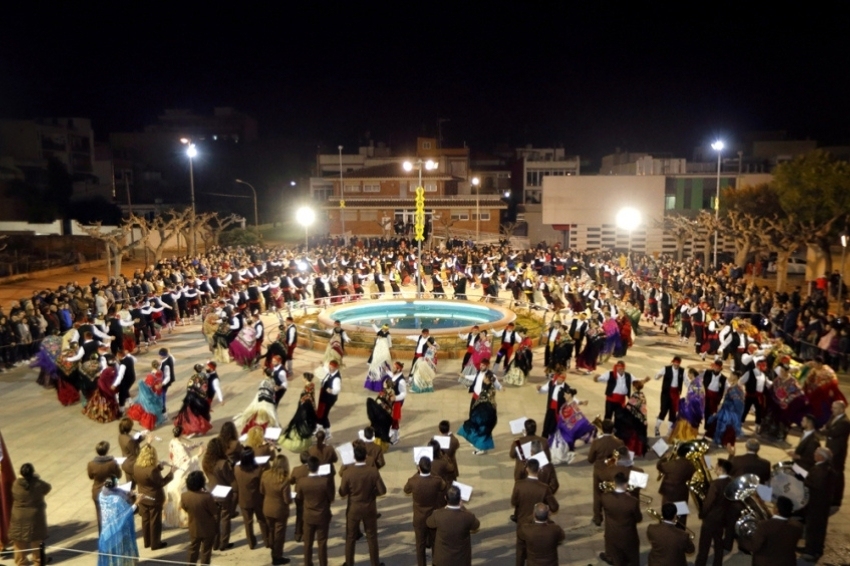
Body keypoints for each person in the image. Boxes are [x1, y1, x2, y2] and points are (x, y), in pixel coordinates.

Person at [339, 443, 387, 566]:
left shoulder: (347, 473)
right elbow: (382, 490)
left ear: (354, 457)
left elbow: (342, 492)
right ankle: (375, 563)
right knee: (371, 537)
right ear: (366, 457)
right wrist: (371, 494)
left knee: (350, 537)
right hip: (369, 508)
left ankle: (349, 563)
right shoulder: (373, 471)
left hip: (353, 508)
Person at [511, 458, 559, 566]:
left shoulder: (519, 485)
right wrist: (547, 509)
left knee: (520, 549)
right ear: (538, 470)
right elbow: (555, 507)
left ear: (527, 469)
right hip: (538, 523)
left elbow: (514, 502)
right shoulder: (544, 488)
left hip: (522, 521)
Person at [403, 456, 447, 566]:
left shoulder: (413, 481)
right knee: (434, 542)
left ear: (419, 468)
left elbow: (406, 489)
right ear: (430, 467)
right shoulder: (436, 481)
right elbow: (443, 486)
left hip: (419, 518)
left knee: (420, 545)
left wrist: (416, 473)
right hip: (433, 516)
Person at [426, 485, 480, 566]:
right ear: (460, 500)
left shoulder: (438, 515)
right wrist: (463, 508)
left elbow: (429, 523)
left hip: (442, 561)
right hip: (461, 561)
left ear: (445, 498)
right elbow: (476, 525)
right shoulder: (468, 516)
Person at [295, 456, 335, 566]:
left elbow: (299, 496)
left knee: (307, 543)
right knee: (322, 543)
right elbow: (331, 497)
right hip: (322, 515)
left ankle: (308, 563)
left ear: (308, 467)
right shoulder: (324, 482)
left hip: (308, 516)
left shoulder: (302, 482)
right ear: (318, 467)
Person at [799, 447, 837, 562]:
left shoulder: (820, 470)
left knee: (813, 528)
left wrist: (805, 480)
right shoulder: (828, 468)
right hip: (823, 504)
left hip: (816, 505)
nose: (814, 454)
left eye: (816, 453)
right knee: (819, 528)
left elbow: (814, 484)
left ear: (821, 457)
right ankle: (816, 549)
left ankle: (811, 551)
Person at [9, 463, 50, 566]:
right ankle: (38, 560)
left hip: (18, 516)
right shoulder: (38, 484)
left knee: (19, 540)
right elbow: (47, 488)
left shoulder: (16, 484)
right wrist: (37, 478)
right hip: (34, 516)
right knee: (36, 539)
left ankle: (21, 561)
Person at [134, 444, 174, 550]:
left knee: (145, 520)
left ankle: (147, 542)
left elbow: (149, 477)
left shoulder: (136, 466)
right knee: (155, 521)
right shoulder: (151, 469)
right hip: (154, 498)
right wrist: (171, 473)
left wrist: (159, 467)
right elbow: (160, 482)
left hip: (143, 497)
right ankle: (155, 543)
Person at [163, 425, 204, 528]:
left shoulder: (173, 441)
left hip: (175, 469)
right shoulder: (179, 446)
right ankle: (185, 520)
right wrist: (198, 455)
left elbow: (184, 447)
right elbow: (187, 463)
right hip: (181, 472)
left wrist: (193, 446)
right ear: (181, 433)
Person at [694, 459, 732, 566]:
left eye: (716, 466)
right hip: (722, 518)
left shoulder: (715, 484)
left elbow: (708, 503)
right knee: (718, 543)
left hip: (711, 519)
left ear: (720, 469)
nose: (714, 467)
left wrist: (702, 514)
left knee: (704, 546)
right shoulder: (730, 482)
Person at [598, 472, 642, 566]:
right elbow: (638, 519)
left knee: (617, 561)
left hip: (612, 535)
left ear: (615, 482)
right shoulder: (632, 501)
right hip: (629, 536)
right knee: (633, 560)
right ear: (626, 484)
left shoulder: (605, 498)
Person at [201, 437, 236, 551]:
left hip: (212, 492)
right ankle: (224, 543)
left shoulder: (205, 462)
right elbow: (230, 479)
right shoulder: (223, 463)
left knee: (215, 519)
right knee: (225, 517)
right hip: (224, 493)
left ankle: (215, 544)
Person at [588, 419, 625, 526]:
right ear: (612, 429)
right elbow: (622, 457)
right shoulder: (619, 442)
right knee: (612, 494)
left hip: (599, 471)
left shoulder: (596, 442)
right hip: (612, 472)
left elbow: (590, 459)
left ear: (602, 429)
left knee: (597, 494)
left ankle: (598, 518)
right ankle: (611, 516)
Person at [547, 386, 595, 465]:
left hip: (567, 432)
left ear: (569, 395)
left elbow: (580, 419)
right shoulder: (567, 404)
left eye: (565, 394)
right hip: (562, 430)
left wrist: (569, 428)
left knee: (559, 451)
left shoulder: (573, 406)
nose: (564, 396)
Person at [750, 495, 803, 566]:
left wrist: (743, 540)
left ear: (776, 510)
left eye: (774, 506)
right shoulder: (798, 526)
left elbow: (754, 546)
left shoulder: (764, 525)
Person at [97, 476, 138, 566]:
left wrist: (126, 494)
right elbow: (126, 513)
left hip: (106, 532)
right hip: (118, 531)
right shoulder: (117, 500)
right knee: (120, 552)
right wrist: (137, 501)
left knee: (111, 556)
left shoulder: (101, 495)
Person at [180, 470, 218, 565]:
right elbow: (214, 512)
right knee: (206, 551)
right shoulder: (207, 497)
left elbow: (184, 507)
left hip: (194, 527)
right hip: (208, 529)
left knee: (193, 549)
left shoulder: (184, 496)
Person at [260, 454, 292, 566]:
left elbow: (262, 490)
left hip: (267, 507)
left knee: (271, 530)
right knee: (279, 534)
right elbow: (287, 500)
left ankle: (272, 547)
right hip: (280, 511)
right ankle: (277, 556)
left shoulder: (265, 474)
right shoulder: (284, 480)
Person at [457, 370, 499, 455]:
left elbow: (484, 400)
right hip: (484, 412)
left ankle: (480, 448)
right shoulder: (488, 387)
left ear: (487, 379)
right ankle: (480, 447)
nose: (483, 378)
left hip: (484, 413)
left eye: (484, 377)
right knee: (482, 430)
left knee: (480, 429)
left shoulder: (488, 389)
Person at [235, 448, 268, 550]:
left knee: (248, 523)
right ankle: (267, 540)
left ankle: (251, 543)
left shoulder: (237, 469)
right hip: (257, 499)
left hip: (244, 500)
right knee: (262, 520)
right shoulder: (258, 470)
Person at [656, 442, 696, 527]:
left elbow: (659, 466)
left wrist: (665, 458)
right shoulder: (691, 465)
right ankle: (680, 531)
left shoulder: (671, 464)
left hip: (669, 493)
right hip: (682, 492)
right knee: (681, 515)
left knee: (667, 513)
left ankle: (665, 530)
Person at [802, 356, 848, 427]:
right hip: (815, 391)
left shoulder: (827, 370)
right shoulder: (814, 369)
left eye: (815, 364)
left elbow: (834, 381)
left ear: (820, 363)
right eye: (813, 364)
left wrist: (831, 389)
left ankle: (825, 424)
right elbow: (808, 379)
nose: (814, 365)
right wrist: (807, 385)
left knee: (825, 408)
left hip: (824, 392)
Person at [88, 441, 122, 533]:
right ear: (107, 450)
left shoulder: (91, 464)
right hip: (110, 491)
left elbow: (91, 476)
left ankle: (102, 536)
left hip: (97, 492)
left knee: (100, 515)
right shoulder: (112, 463)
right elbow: (119, 475)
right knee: (112, 514)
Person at [646, 502, 694, 566]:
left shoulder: (651, 529)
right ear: (675, 516)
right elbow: (691, 550)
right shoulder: (683, 535)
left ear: (662, 513)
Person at [280, 373, 318, 454]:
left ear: (305, 378)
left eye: (303, 378)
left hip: (304, 409)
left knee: (300, 425)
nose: (302, 379)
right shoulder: (311, 385)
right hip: (309, 407)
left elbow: (305, 399)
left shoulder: (307, 389)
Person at [173, 365, 212, 437]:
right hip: (203, 398)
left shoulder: (193, 378)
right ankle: (201, 429)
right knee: (202, 414)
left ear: (195, 370)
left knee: (192, 415)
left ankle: (195, 429)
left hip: (194, 399)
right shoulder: (204, 376)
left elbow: (190, 389)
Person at [125, 360, 165, 432]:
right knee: (156, 408)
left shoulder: (150, 376)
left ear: (152, 366)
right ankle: (157, 420)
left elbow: (148, 386)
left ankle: (149, 423)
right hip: (158, 393)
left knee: (148, 409)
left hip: (151, 394)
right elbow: (160, 382)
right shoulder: (161, 372)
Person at [613, 379, 649, 457]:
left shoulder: (635, 395)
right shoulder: (642, 394)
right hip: (642, 419)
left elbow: (629, 407)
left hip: (636, 419)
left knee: (629, 431)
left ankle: (631, 450)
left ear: (634, 387)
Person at [707, 373, 744, 447]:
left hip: (729, 411)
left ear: (735, 377)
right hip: (726, 409)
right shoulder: (735, 387)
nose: (729, 377)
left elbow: (738, 402)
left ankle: (721, 441)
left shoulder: (735, 389)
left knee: (724, 426)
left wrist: (736, 412)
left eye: (731, 375)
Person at [652, 356, 686, 437]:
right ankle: (657, 427)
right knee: (663, 411)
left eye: (678, 363)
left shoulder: (682, 371)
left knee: (673, 413)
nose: (676, 364)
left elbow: (687, 381)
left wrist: (693, 389)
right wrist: (658, 375)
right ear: (673, 362)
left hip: (676, 394)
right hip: (666, 393)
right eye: (675, 362)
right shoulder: (666, 369)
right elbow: (656, 377)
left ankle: (669, 432)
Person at [668, 368, 704, 442]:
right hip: (689, 404)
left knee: (686, 419)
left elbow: (698, 395)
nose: (688, 375)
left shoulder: (696, 382)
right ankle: (683, 436)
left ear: (692, 373)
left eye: (688, 374)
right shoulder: (696, 381)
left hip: (692, 406)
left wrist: (689, 401)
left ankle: (685, 437)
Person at [738, 358, 773, 433]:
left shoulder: (763, 375)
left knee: (759, 412)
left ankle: (757, 427)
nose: (765, 367)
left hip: (759, 397)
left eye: (765, 365)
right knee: (745, 410)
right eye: (763, 365)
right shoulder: (749, 373)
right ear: (757, 365)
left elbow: (769, 383)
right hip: (750, 395)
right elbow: (740, 381)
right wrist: (742, 391)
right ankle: (739, 425)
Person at [82, 355, 120, 423]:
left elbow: (101, 380)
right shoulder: (115, 370)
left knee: (101, 403)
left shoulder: (106, 371)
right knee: (112, 401)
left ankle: (104, 416)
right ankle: (113, 415)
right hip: (111, 389)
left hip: (103, 390)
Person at [826, 400, 849, 506]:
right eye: (832, 407)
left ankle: (836, 498)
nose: (832, 410)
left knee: (837, 473)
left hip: (838, 451)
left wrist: (827, 432)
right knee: (831, 472)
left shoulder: (844, 422)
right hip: (830, 448)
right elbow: (827, 427)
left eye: (835, 408)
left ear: (841, 409)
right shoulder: (833, 417)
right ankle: (830, 494)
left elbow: (832, 432)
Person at [366, 376, 395, 447]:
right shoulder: (390, 392)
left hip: (382, 413)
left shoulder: (386, 392)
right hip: (385, 414)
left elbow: (381, 401)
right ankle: (382, 444)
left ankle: (378, 444)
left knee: (378, 429)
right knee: (382, 429)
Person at [316, 361, 342, 439]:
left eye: (332, 368)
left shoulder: (336, 378)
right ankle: (326, 432)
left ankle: (323, 431)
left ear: (336, 368)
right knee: (323, 414)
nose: (330, 369)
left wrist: (331, 390)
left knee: (324, 414)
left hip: (329, 398)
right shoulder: (330, 372)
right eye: (330, 367)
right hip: (324, 396)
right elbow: (325, 370)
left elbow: (337, 389)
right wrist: (322, 366)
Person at [364, 324, 392, 392]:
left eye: (385, 329)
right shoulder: (379, 334)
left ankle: (381, 385)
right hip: (376, 354)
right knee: (374, 369)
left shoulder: (388, 336)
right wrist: (373, 323)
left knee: (381, 369)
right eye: (383, 329)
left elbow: (390, 345)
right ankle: (373, 385)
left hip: (382, 355)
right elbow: (375, 328)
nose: (383, 330)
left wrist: (385, 352)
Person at [117, 417, 142, 485]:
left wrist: (139, 439)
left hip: (126, 463)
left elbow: (131, 445)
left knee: (130, 485)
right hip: (132, 465)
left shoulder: (121, 436)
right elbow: (136, 451)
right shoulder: (129, 440)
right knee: (140, 483)